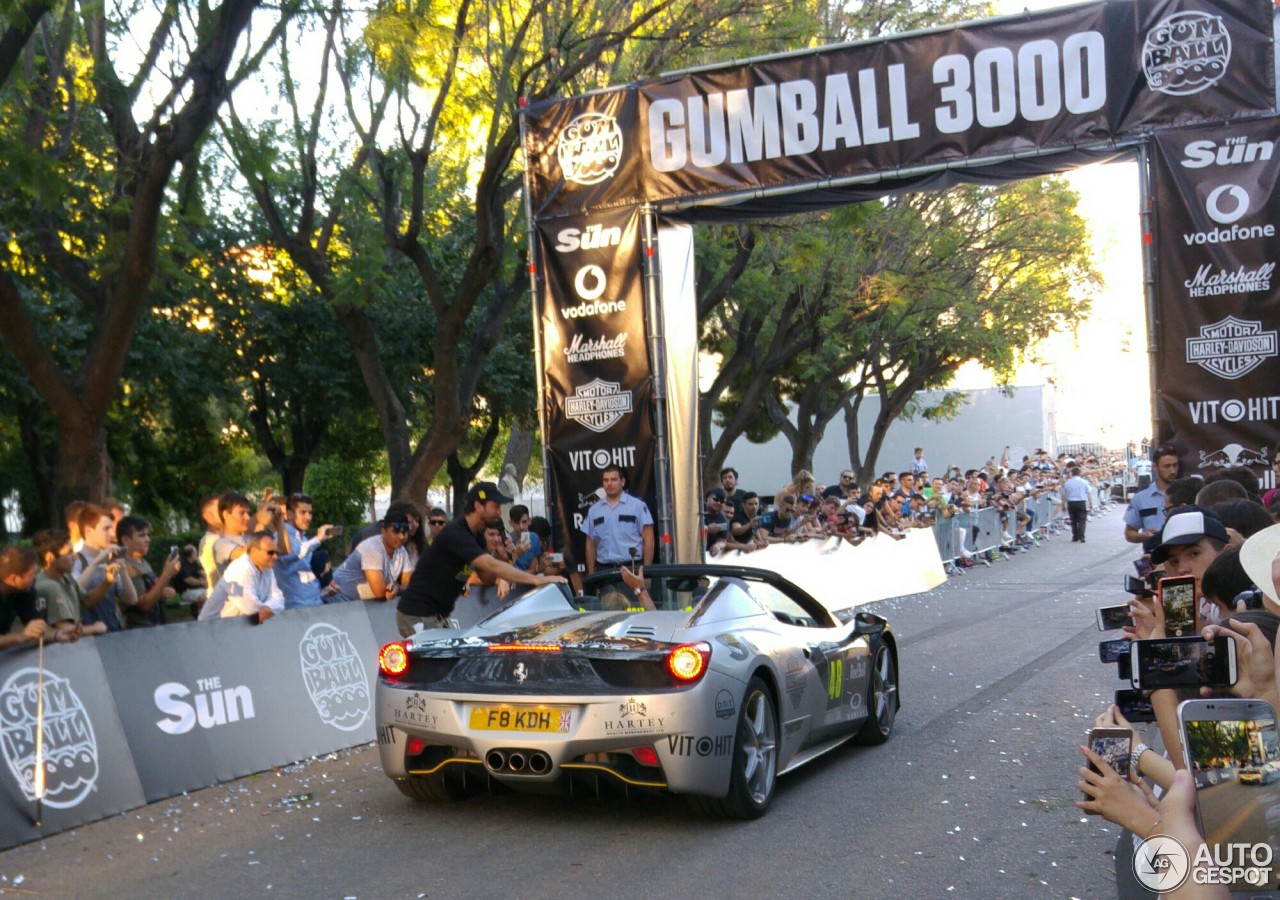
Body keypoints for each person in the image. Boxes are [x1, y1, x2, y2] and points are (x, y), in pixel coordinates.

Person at [395, 482, 566, 637]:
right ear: (478, 506)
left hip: (436, 615)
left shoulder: (477, 536)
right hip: (416, 614)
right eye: (496, 506)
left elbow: (486, 576)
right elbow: (489, 564)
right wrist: (536, 580)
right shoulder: (457, 534)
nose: (499, 512)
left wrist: (503, 558)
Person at [73, 503, 138, 632]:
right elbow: (72, 593)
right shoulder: (76, 560)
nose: (112, 534)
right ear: (88, 530)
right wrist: (96, 562)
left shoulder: (109, 560)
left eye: (112, 528)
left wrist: (123, 568)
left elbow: (131, 600)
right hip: (88, 638)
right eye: (106, 529)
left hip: (114, 632)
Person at [327, 511, 414, 603]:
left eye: (404, 532)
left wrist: (398, 588)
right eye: (395, 532)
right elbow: (380, 594)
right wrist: (398, 588)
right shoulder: (371, 549)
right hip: (336, 603)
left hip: (360, 606)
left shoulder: (401, 550)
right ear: (383, 531)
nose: (401, 536)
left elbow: (409, 584)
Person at [199, 530, 285, 622]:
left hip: (236, 626)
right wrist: (269, 607)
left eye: (277, 553)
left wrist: (268, 607)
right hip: (213, 628)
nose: (275, 557)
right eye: (270, 552)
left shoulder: (267, 569)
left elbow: (279, 599)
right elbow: (250, 607)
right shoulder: (241, 568)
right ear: (254, 551)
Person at [582, 465, 654, 575]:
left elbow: (649, 539)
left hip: (632, 568)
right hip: (604, 571)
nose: (609, 484)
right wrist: (591, 574)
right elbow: (590, 544)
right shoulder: (594, 510)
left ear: (623, 482)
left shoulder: (638, 506)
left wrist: (647, 572)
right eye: (606, 480)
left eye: (614, 479)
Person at [32, 529, 102, 637]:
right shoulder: (50, 587)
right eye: (69, 552)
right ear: (50, 558)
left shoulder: (66, 577)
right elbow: (65, 629)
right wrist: (95, 628)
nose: (75, 556)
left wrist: (108, 581)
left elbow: (87, 600)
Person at [118, 514, 180, 628]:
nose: (148, 539)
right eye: (142, 535)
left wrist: (167, 590)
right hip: (140, 630)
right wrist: (166, 574)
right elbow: (143, 604)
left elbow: (154, 590)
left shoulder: (143, 562)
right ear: (126, 540)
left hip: (156, 625)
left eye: (147, 535)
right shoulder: (125, 567)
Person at [276, 492, 336, 609]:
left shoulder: (304, 539)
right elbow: (292, 553)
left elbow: (305, 575)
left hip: (315, 604)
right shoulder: (280, 537)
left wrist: (323, 592)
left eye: (310, 513)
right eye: (303, 513)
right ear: (289, 514)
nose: (308, 517)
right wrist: (317, 539)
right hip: (296, 610)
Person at [211, 491, 252, 587]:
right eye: (242, 513)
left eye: (248, 513)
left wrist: (279, 523)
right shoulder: (221, 544)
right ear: (226, 515)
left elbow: (283, 550)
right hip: (234, 600)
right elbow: (251, 554)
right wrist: (261, 522)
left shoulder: (248, 539)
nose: (247, 517)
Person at [1062, 465, 1092, 543]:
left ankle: (1075, 536)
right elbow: (1089, 493)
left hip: (1071, 502)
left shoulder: (1067, 483)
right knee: (1082, 520)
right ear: (1079, 473)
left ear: (1072, 473)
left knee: (1073, 520)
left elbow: (1064, 495)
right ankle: (1081, 536)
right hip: (1081, 502)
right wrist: (1091, 503)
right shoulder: (1084, 482)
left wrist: (1063, 505)